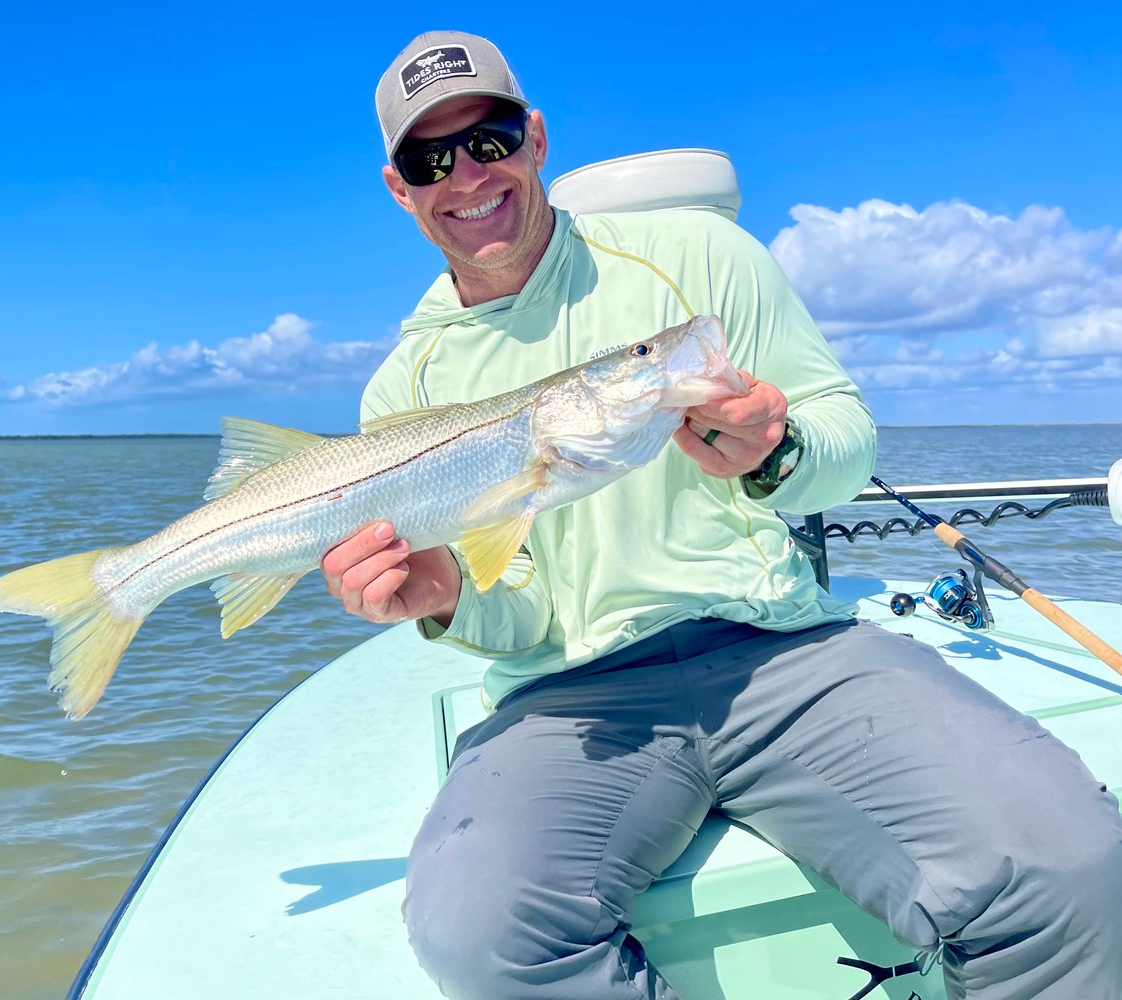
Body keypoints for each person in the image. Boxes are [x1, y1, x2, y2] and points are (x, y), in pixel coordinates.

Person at [321, 30, 1122, 1000]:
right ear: (398, 186)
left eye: (487, 138)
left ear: (534, 139)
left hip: (783, 654)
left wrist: (776, 451)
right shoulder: (403, 385)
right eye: (429, 158)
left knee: (1075, 861)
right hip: (566, 698)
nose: (465, 174)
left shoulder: (696, 257)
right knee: (479, 936)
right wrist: (446, 597)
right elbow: (517, 621)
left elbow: (848, 440)